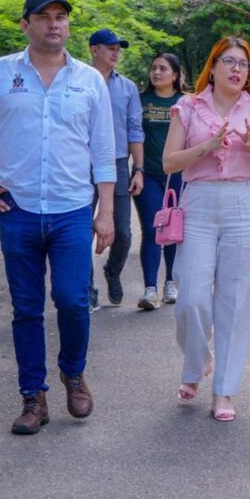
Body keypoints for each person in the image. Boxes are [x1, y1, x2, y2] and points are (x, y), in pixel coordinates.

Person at [0, 0, 115, 435]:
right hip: (17, 209)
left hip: (73, 209)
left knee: (73, 300)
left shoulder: (89, 80)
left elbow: (103, 150)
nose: (54, 24)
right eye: (44, 17)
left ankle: (73, 372)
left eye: (61, 16)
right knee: (26, 308)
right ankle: (33, 397)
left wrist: (107, 212)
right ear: (26, 25)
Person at [163, 37, 250, 421]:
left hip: (245, 204)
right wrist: (207, 147)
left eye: (244, 64)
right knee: (191, 296)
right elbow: (169, 163)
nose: (236, 69)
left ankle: (224, 390)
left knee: (236, 300)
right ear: (212, 67)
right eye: (228, 61)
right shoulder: (188, 107)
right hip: (198, 201)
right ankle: (198, 360)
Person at [87, 28, 144, 308]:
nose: (115, 53)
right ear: (94, 49)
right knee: (80, 231)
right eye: (110, 48)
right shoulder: (78, 81)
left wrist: (139, 169)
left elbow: (135, 129)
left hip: (118, 162)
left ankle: (113, 271)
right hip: (81, 162)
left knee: (122, 232)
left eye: (118, 49)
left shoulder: (128, 88)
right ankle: (86, 287)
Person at [133, 54, 186, 309]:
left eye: (163, 69)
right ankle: (150, 289)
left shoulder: (186, 102)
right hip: (148, 175)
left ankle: (170, 282)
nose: (156, 72)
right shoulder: (140, 100)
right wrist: (138, 170)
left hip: (179, 176)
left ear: (175, 75)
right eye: (153, 68)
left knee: (175, 230)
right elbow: (133, 135)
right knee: (152, 229)